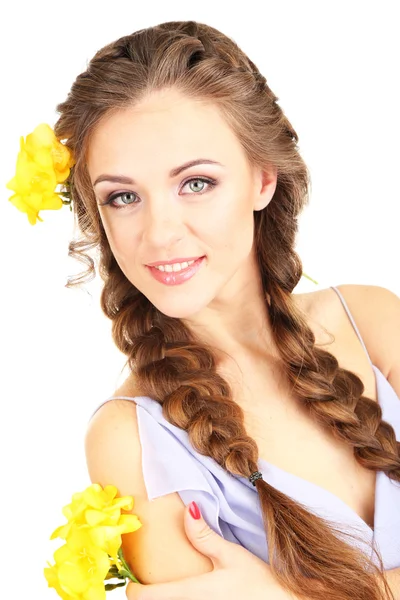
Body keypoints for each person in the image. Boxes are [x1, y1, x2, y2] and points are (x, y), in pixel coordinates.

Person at [50, 20, 399, 600]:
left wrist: (291, 597)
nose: (160, 234)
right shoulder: (131, 437)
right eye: (124, 196)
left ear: (263, 178)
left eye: (196, 183)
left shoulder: (375, 322)